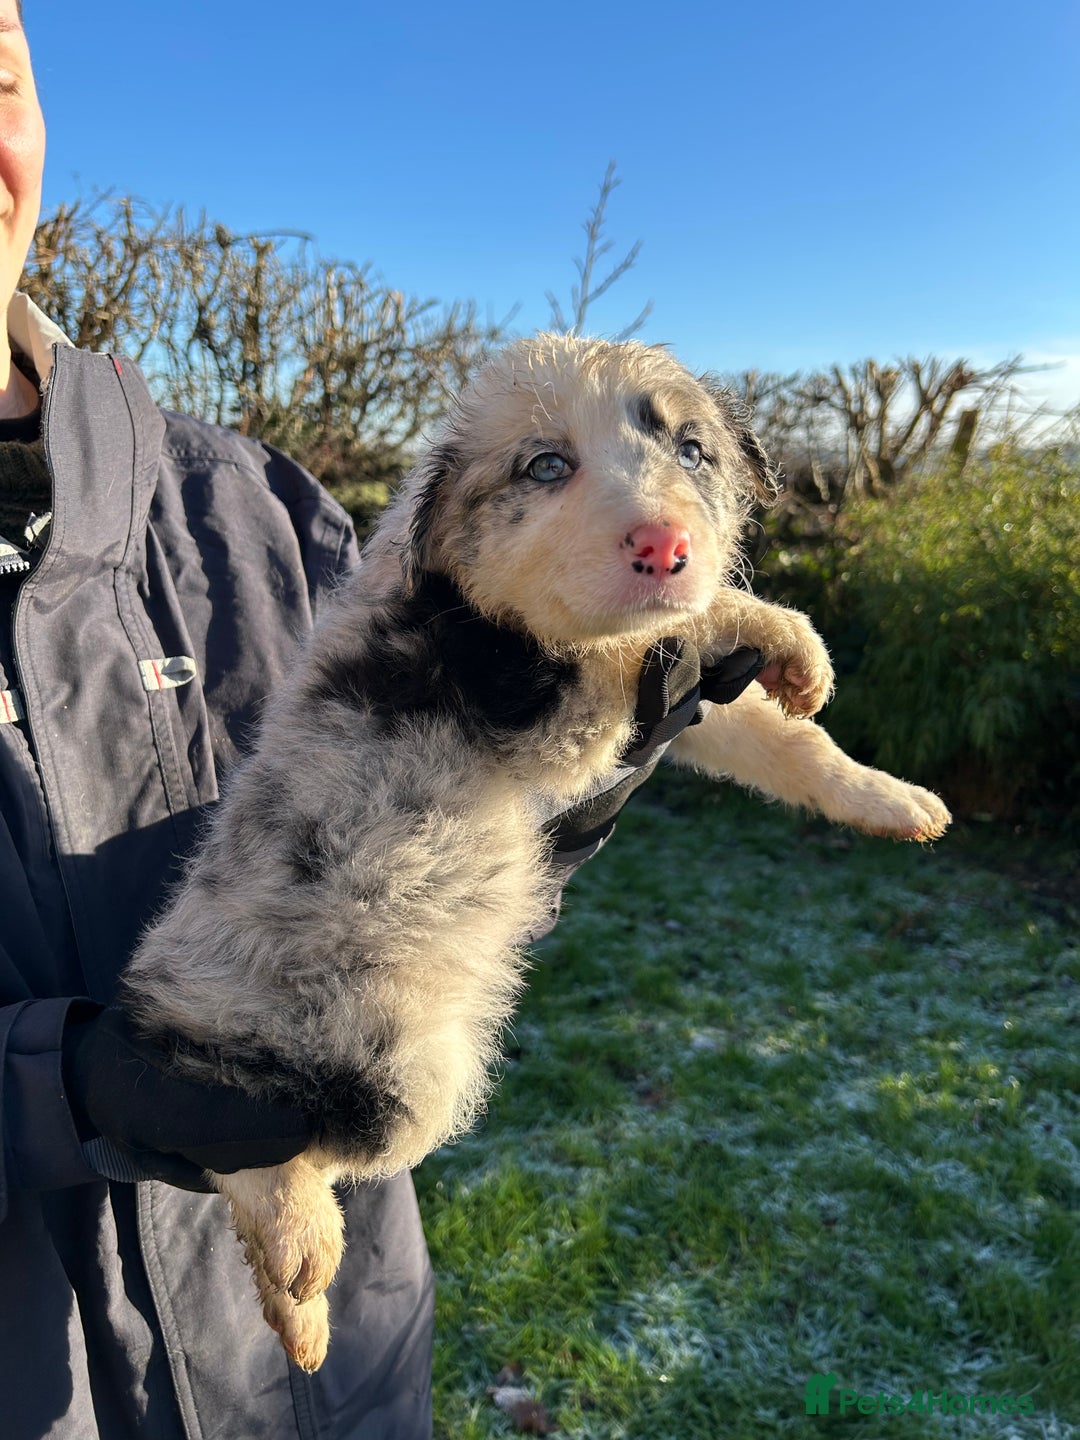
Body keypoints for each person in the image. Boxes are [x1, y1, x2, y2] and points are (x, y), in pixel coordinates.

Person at [0, 6, 764, 1436]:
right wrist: (62, 1087)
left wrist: (558, 792)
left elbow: (428, 874)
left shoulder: (253, 509)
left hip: (321, 1381)